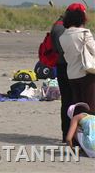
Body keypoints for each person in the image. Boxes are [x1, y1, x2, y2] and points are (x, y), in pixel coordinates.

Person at [59, 3, 95, 110]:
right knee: (90, 107)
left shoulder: (63, 36)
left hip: (72, 74)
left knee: (78, 106)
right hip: (86, 73)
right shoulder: (84, 33)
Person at [50, 12, 73, 141]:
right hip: (65, 67)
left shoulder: (59, 27)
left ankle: (68, 134)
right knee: (69, 101)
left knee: (68, 101)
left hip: (64, 66)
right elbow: (63, 50)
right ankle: (68, 134)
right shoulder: (60, 28)